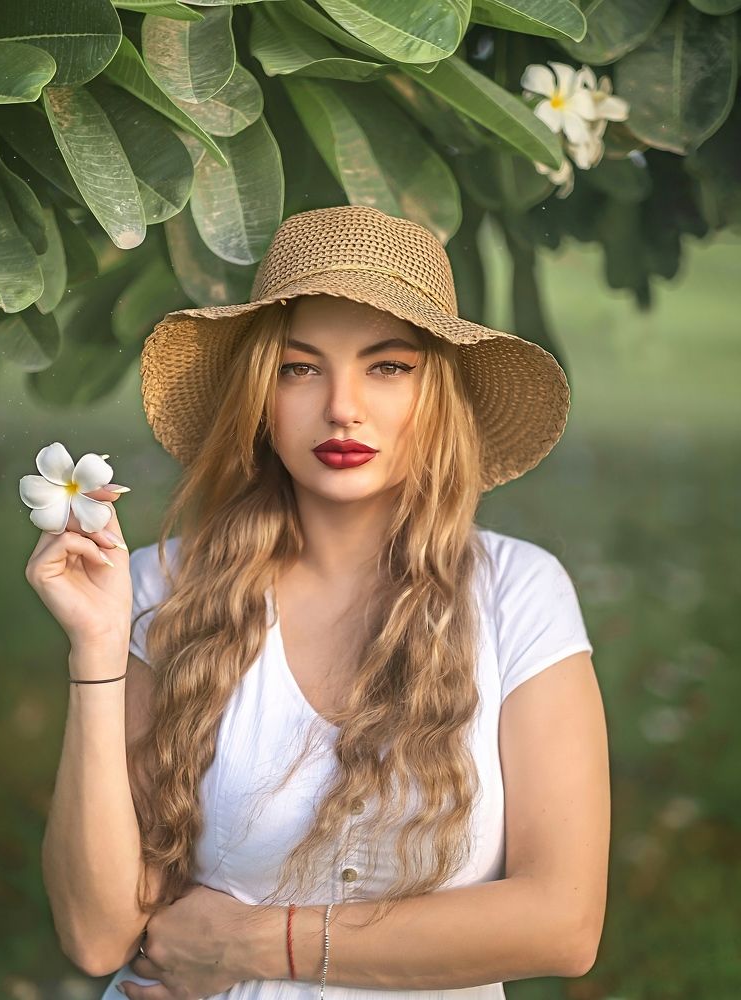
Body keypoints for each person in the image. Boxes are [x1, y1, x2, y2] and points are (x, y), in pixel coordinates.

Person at [32, 205, 610, 1000]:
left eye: (388, 367)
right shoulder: (161, 585)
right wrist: (96, 653)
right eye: (299, 368)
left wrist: (249, 942)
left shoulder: (517, 594)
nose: (342, 407)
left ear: (434, 392)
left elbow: (562, 924)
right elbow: (99, 936)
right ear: (260, 398)